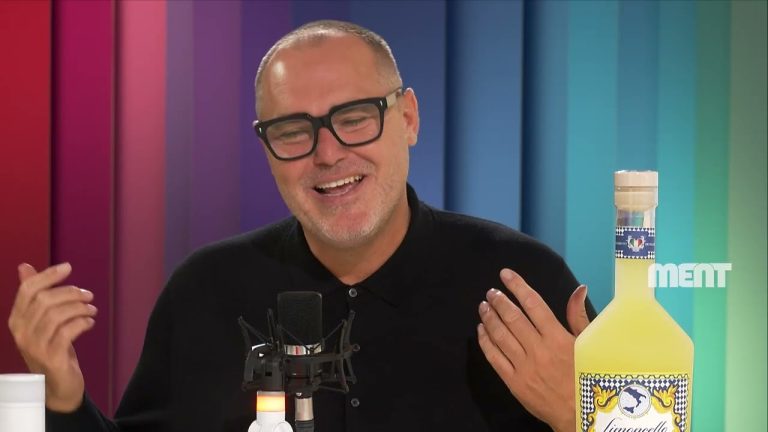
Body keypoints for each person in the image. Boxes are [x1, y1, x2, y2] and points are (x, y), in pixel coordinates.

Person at [7, 20, 594, 432]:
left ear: (408, 118)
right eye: (293, 131)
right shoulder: (204, 291)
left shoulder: (522, 281)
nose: (328, 154)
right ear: (266, 148)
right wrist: (63, 399)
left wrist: (583, 416)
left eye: (355, 118)